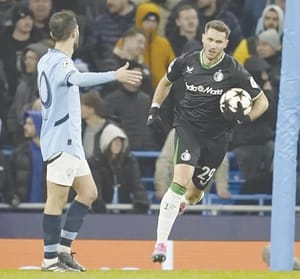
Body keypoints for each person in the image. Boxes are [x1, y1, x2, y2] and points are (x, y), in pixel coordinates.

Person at [146, 20, 269, 263]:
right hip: (187, 128)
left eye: (218, 41)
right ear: (203, 37)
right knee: (179, 180)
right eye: (209, 39)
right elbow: (166, 81)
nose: (213, 45)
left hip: (217, 137)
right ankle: (160, 243)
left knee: (193, 195)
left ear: (226, 43)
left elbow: (262, 101)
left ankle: (182, 203)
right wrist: (154, 108)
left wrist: (246, 118)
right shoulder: (186, 62)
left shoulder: (234, 69)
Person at [37, 10, 142, 272]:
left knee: (89, 193)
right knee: (56, 200)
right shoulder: (63, 64)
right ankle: (49, 259)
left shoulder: (45, 60)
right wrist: (114, 75)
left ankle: (62, 250)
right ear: (75, 33)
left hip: (67, 142)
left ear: (52, 34)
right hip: (63, 140)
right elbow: (78, 79)